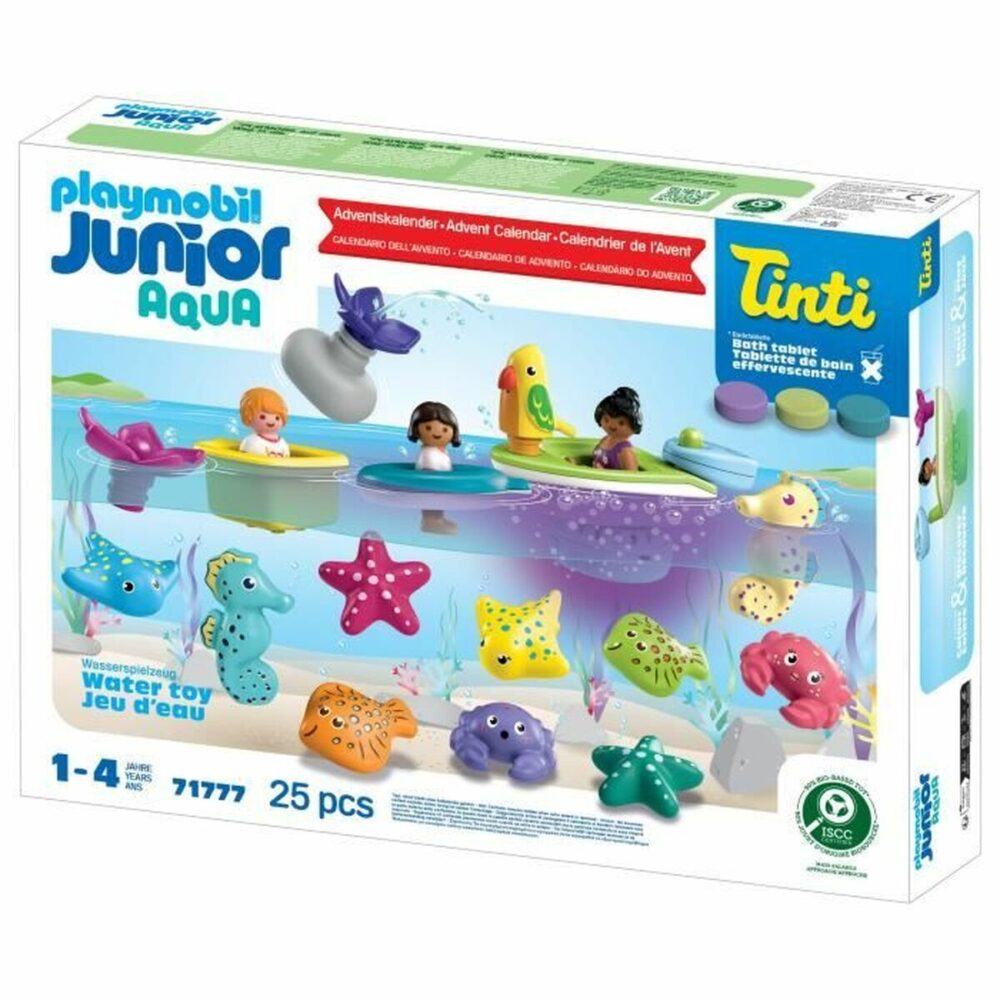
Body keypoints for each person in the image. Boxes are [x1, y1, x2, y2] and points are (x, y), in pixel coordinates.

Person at [592, 387, 642, 471]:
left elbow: (631, 476)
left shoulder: (625, 451)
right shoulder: (605, 439)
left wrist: (604, 473)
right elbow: (594, 458)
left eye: (621, 423)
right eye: (606, 420)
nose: (612, 425)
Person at [408, 401, 462, 472]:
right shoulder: (428, 454)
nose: (437, 433)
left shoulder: (442, 451)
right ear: (415, 429)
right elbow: (429, 473)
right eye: (428, 428)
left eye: (445, 430)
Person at [238, 387, 291, 458]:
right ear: (248, 416)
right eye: (262, 417)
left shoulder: (282, 443)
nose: (271, 421)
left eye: (277, 418)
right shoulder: (251, 442)